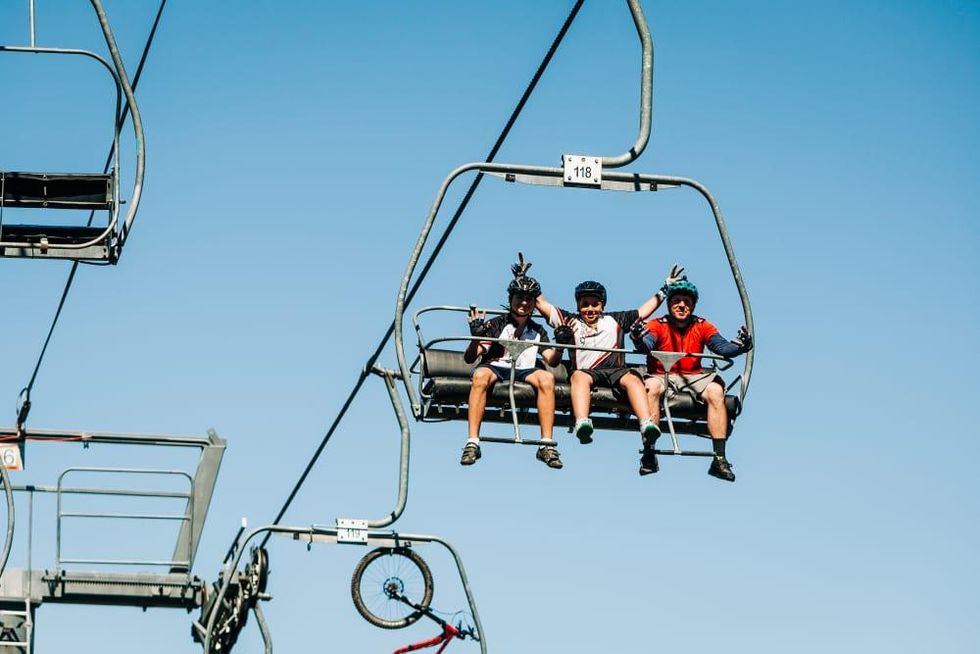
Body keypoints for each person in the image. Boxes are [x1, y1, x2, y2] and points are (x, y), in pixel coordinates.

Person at [534, 265, 687, 475]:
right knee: (578, 377)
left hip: (615, 369)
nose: (590, 309)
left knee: (633, 379)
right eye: (585, 305)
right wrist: (527, 281)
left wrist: (664, 290)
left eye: (595, 305)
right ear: (578, 306)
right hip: (587, 371)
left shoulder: (614, 320)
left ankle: (646, 423)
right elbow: (542, 304)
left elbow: (644, 311)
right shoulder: (570, 320)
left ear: (602, 306)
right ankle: (582, 422)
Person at [630, 279, 753, 482]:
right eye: (677, 301)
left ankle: (719, 458)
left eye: (686, 302)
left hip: (694, 376)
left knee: (715, 391)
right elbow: (647, 344)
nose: (681, 306)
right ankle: (649, 453)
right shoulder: (658, 325)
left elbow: (721, 347)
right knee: (650, 387)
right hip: (662, 374)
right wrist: (637, 337)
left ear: (693, 306)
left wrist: (740, 346)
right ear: (669, 304)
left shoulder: (702, 325)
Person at [460, 255, 563, 469]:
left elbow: (551, 360)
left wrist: (562, 343)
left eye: (529, 299)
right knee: (480, 376)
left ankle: (546, 443)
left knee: (547, 377)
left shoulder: (537, 330)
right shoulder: (496, 325)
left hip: (525, 369)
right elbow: (471, 357)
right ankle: (472, 441)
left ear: (535, 303)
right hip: (497, 366)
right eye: (519, 298)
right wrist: (476, 337)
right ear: (511, 299)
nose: (524, 303)